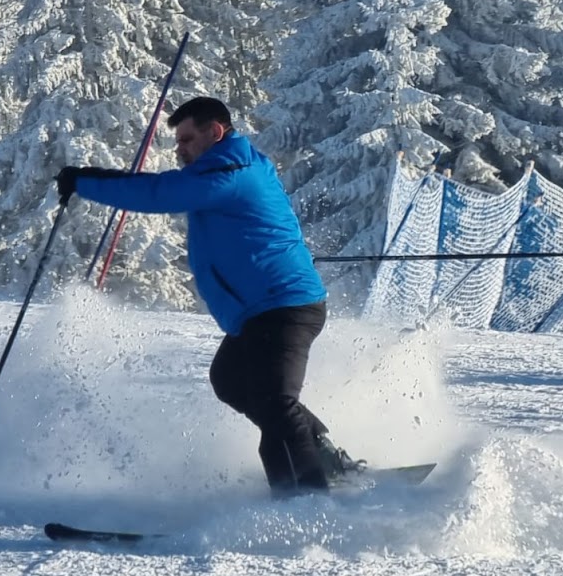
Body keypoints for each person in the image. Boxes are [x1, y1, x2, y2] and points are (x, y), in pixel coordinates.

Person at [56, 96, 362, 492]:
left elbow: (158, 194)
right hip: (261, 311)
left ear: (214, 132)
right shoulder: (230, 168)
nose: (179, 149)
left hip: (283, 306)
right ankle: (326, 460)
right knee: (230, 380)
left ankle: (306, 502)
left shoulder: (230, 172)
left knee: (273, 402)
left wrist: (83, 180)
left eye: (186, 139)